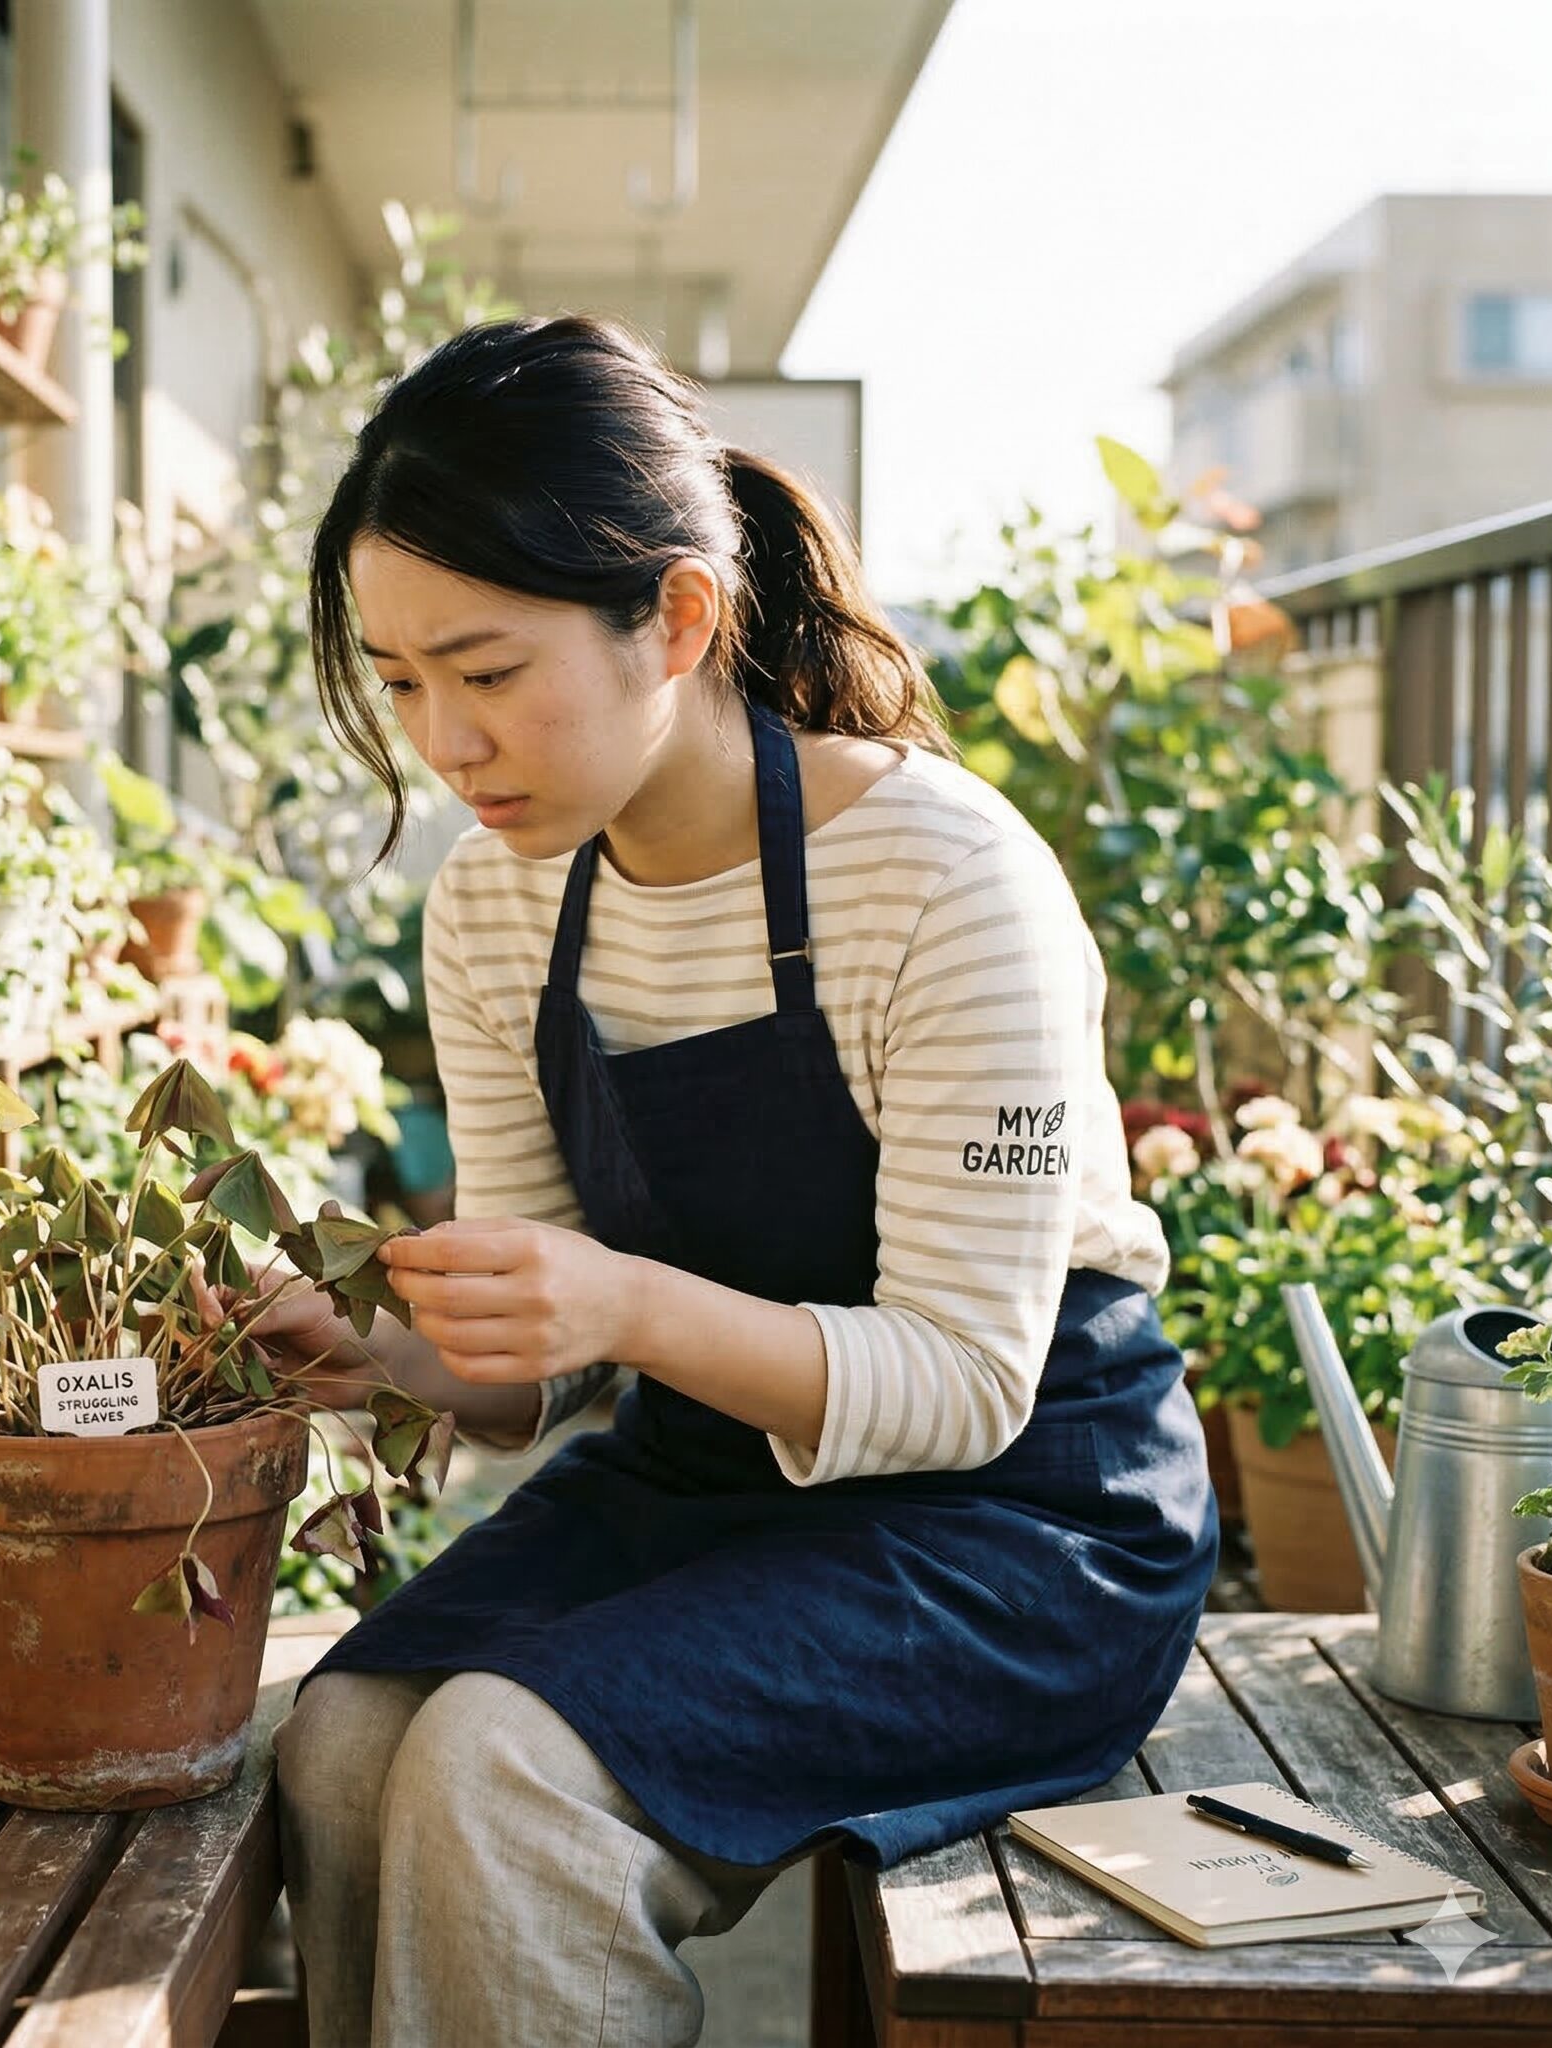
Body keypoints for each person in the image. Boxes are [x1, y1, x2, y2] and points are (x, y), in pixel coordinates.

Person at [257, 313, 1218, 2048]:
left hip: (1018, 1524)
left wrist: (622, 1303)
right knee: (350, 1736)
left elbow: (967, 1384)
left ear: (680, 619)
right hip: (712, 1484)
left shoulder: (946, 876)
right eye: (400, 686)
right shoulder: (495, 903)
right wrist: (369, 1356)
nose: (445, 746)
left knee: (504, 1774)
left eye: (485, 672)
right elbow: (533, 1367)